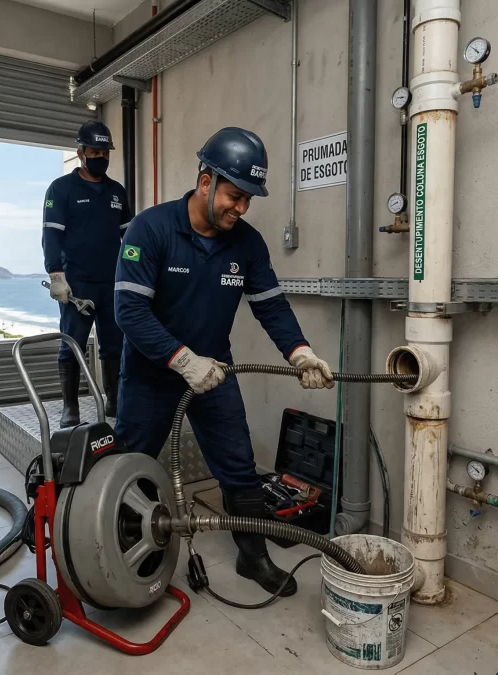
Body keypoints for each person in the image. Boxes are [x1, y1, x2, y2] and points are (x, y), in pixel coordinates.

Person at [114, 127, 334, 597]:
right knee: (129, 462)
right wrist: (180, 358)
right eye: (235, 195)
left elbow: (270, 305)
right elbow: (128, 311)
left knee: (238, 465)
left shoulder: (247, 244)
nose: (242, 208)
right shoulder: (150, 229)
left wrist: (300, 352)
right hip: (153, 372)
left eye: (249, 199)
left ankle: (253, 558)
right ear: (205, 180)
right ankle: (122, 551)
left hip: (214, 372)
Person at [43, 120, 133, 426]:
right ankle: (71, 407)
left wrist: (136, 273)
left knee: (114, 343)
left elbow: (129, 239)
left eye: (105, 152)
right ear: (81, 153)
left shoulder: (117, 192)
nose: (101, 157)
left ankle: (114, 400)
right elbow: (51, 235)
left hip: (112, 282)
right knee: (73, 342)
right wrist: (56, 275)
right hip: (77, 283)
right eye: (95, 151)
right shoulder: (61, 189)